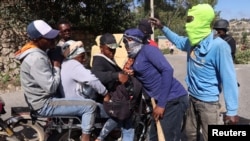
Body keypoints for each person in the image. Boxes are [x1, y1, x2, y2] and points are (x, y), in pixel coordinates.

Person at [150, 3, 239, 141]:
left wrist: (232, 110)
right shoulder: (192, 42)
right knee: (189, 135)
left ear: (202, 21)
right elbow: (178, 41)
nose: (187, 25)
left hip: (209, 103)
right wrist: (162, 27)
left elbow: (229, 79)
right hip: (191, 98)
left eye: (190, 20)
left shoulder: (219, 46)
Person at [15, 20, 97, 141]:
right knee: (90, 105)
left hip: (40, 99)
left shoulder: (38, 52)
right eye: (48, 38)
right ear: (37, 39)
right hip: (44, 104)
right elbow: (51, 87)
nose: (52, 40)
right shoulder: (36, 58)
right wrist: (57, 66)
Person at [123, 28, 189, 141]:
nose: (125, 45)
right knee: (154, 136)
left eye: (127, 41)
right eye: (124, 42)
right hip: (157, 101)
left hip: (172, 99)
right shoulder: (134, 57)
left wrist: (162, 104)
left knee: (168, 137)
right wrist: (131, 73)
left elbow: (168, 70)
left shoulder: (148, 50)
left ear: (135, 40)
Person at [91, 33, 134, 141]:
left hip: (112, 98)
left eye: (114, 50)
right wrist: (116, 76)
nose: (112, 52)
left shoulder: (109, 59)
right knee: (124, 113)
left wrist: (125, 72)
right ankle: (100, 138)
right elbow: (96, 75)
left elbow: (118, 72)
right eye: (109, 49)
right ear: (101, 48)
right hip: (106, 100)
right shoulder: (99, 60)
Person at [59, 40, 110, 117]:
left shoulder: (64, 63)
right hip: (79, 105)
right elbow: (92, 80)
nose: (84, 59)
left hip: (70, 103)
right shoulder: (73, 64)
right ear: (74, 55)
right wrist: (105, 93)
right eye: (82, 56)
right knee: (117, 112)